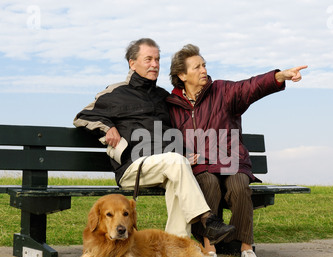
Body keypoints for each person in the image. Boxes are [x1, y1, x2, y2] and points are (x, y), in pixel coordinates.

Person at [73, 38, 235, 244]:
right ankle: (207, 220)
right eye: (148, 59)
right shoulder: (115, 93)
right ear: (132, 63)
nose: (155, 64)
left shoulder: (162, 97)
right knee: (176, 162)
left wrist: (185, 153)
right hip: (132, 168)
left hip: (165, 166)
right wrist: (108, 127)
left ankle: (176, 248)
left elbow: (173, 131)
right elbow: (82, 117)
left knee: (177, 177)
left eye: (157, 59)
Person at [166, 44, 307, 257]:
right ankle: (208, 248)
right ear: (182, 75)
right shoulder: (171, 105)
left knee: (240, 185)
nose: (204, 70)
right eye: (197, 67)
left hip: (231, 162)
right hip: (201, 166)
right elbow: (165, 139)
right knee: (207, 183)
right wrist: (182, 154)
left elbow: (250, 87)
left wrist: (279, 76)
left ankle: (246, 249)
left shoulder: (222, 91)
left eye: (204, 65)